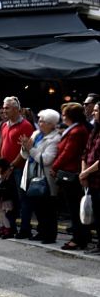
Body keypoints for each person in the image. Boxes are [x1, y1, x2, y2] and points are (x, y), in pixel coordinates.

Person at [51, 103, 90, 250]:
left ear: (69, 116)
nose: (62, 116)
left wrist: (55, 166)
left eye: (64, 113)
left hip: (71, 173)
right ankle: (80, 237)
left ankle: (78, 238)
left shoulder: (76, 131)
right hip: (70, 172)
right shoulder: (74, 129)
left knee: (75, 209)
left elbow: (68, 152)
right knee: (74, 208)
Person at [19, 109, 61, 243]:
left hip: (45, 178)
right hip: (31, 174)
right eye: (40, 120)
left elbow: (46, 159)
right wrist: (25, 147)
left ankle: (49, 235)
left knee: (48, 207)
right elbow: (24, 155)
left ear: (51, 124)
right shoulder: (36, 134)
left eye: (43, 121)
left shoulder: (55, 138)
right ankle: (41, 232)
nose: (40, 123)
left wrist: (30, 148)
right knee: (37, 206)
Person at [0, 96, 35, 239]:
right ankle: (9, 227)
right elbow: (0, 144)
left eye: (7, 108)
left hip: (19, 169)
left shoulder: (26, 126)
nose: (4, 110)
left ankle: (25, 229)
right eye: (4, 107)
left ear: (17, 109)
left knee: (22, 200)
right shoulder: (4, 125)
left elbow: (25, 150)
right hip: (5, 168)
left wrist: (12, 166)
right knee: (7, 199)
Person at [80, 102, 100, 254]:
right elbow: (86, 153)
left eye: (96, 110)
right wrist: (83, 171)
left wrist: (86, 172)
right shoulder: (94, 130)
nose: (93, 113)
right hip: (91, 179)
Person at [0, 158, 17, 239]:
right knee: (0, 214)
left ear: (1, 167)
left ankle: (8, 230)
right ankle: (3, 228)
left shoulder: (8, 175)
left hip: (5, 198)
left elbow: (9, 188)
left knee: (5, 215)